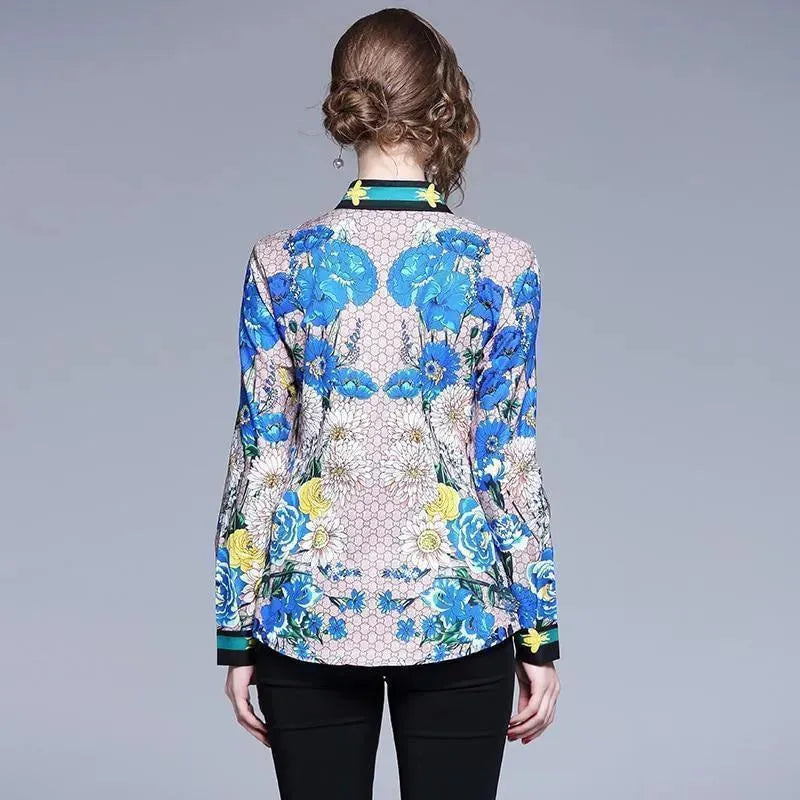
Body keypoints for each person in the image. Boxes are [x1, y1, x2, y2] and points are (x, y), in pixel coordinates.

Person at [213, 8, 561, 799]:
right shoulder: (504, 265)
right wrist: (539, 633)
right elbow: (508, 458)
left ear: (347, 101)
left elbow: (260, 454)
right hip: (458, 606)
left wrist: (236, 632)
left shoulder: (279, 260)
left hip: (306, 610)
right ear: (446, 102)